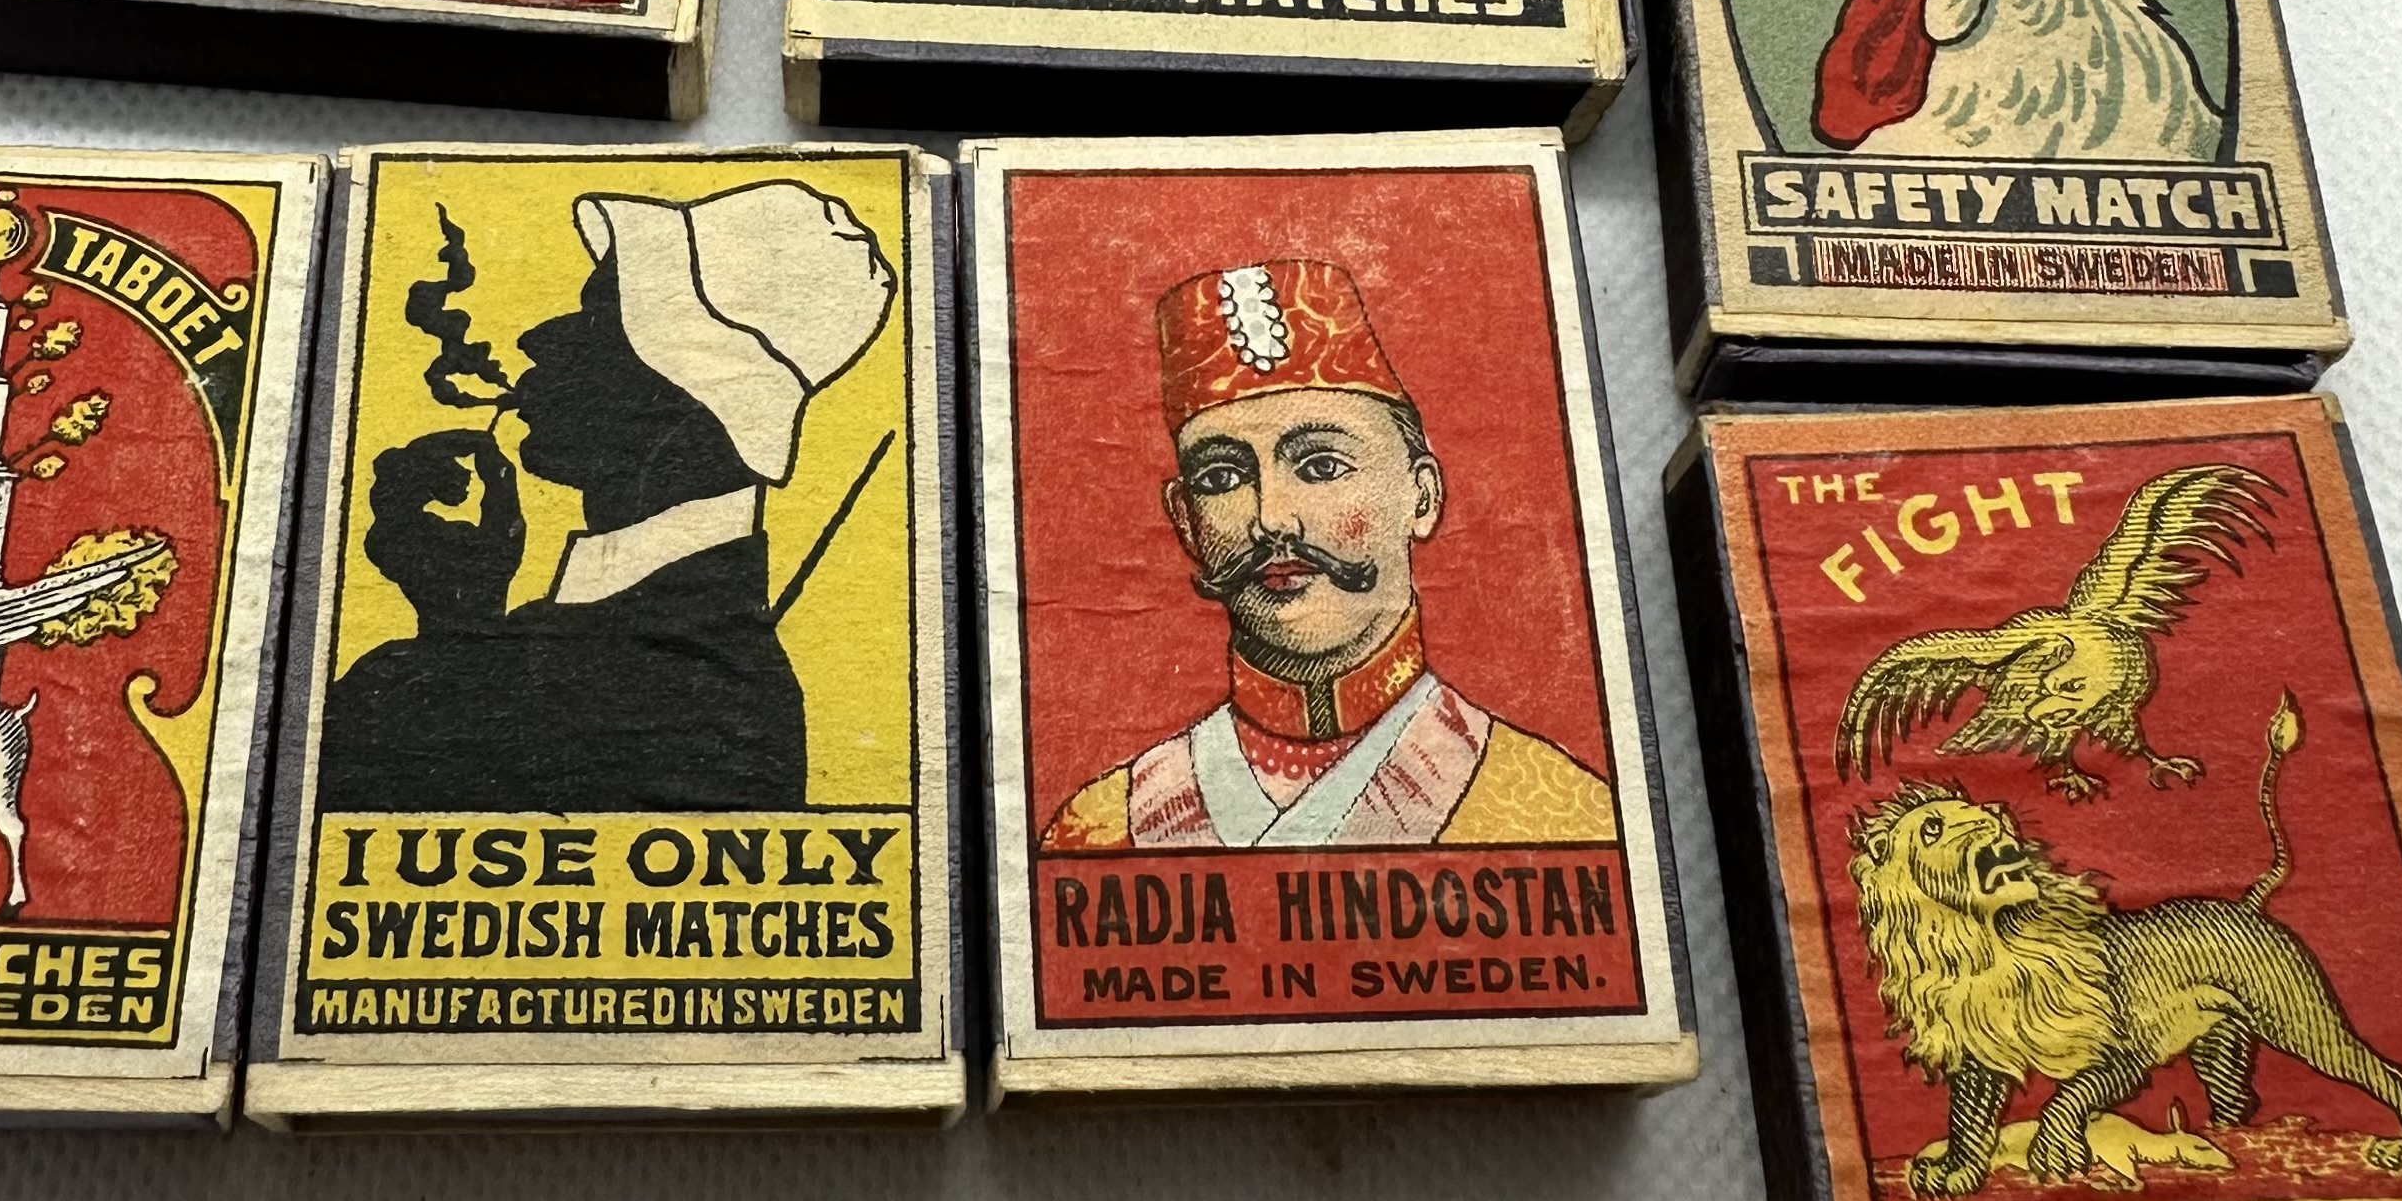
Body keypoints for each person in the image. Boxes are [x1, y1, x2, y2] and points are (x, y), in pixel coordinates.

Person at [316, 182, 897, 814]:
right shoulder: (638, 637)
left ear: (690, 398)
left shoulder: (698, 688)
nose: (539, 338)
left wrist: (453, 627)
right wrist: (460, 608)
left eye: (600, 317)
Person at [1040, 260, 1615, 850]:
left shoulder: (1564, 818)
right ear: (1185, 520)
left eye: (1321, 467)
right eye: (1221, 478)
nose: (1272, 519)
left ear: (1420, 496)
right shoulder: (1100, 830)